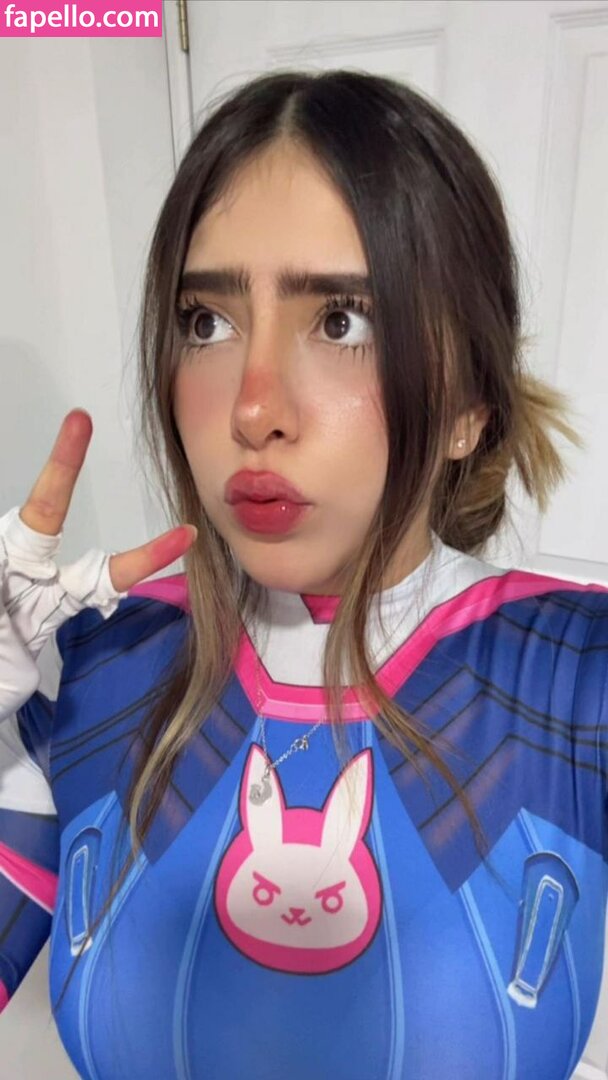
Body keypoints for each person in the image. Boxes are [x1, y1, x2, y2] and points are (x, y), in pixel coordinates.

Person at [0, 68, 605, 1080]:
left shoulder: (571, 677)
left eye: (340, 322)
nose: (252, 407)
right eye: (207, 322)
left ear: (468, 404)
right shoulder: (97, 662)